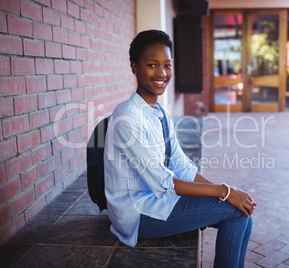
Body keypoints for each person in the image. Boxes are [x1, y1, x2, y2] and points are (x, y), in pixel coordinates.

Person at [104, 29, 256, 268]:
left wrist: (229, 194)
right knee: (235, 211)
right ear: (134, 67)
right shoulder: (127, 117)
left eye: (167, 65)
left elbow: (181, 165)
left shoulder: (161, 112)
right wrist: (224, 191)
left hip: (157, 199)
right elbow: (162, 183)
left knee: (242, 211)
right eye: (152, 65)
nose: (162, 73)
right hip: (138, 212)